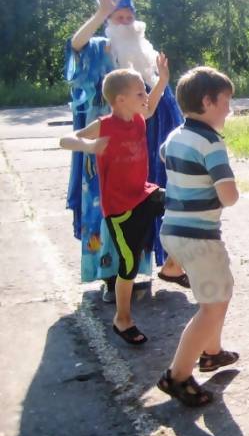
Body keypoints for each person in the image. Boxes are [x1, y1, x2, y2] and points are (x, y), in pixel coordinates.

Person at [65, 0, 185, 299]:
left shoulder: (143, 54)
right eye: (119, 17)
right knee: (108, 211)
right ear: (108, 21)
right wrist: (100, 12)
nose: (126, 22)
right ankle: (110, 278)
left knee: (139, 208)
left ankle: (137, 274)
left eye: (130, 17)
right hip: (103, 150)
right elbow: (75, 46)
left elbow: (154, 105)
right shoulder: (99, 48)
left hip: (136, 151)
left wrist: (162, 81)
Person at [59, 63, 171, 344]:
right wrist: (88, 146)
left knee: (179, 204)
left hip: (142, 194)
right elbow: (65, 140)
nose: (145, 97)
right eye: (140, 93)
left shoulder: (139, 118)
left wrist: (163, 79)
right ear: (120, 100)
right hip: (120, 209)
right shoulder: (105, 125)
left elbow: (152, 104)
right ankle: (123, 319)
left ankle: (173, 266)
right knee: (128, 264)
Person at [157, 67, 239, 407]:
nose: (229, 109)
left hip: (172, 231)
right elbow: (229, 196)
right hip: (199, 237)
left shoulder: (176, 136)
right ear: (207, 102)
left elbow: (163, 154)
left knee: (218, 293)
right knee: (212, 305)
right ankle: (177, 376)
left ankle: (212, 353)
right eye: (226, 101)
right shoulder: (211, 143)